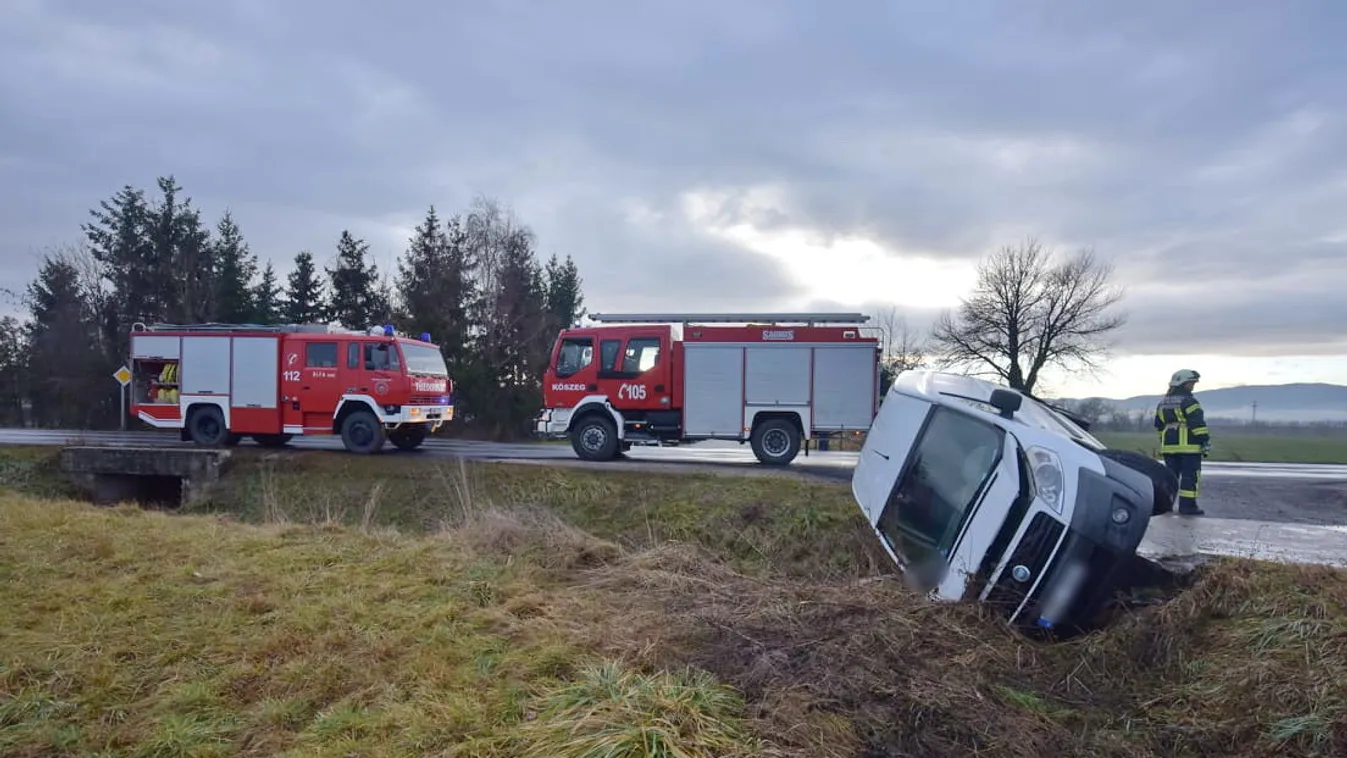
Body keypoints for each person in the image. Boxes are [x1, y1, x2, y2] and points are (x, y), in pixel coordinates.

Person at [1153, 369, 1210, 515]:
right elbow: (1197, 424)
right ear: (1184, 384)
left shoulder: (1163, 403)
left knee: (1170, 478)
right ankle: (1188, 507)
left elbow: (1159, 425)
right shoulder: (1189, 402)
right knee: (1190, 478)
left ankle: (1166, 506)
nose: (1193, 386)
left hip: (1169, 448)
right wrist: (1205, 441)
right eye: (1191, 383)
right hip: (1189, 449)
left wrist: (1164, 441)